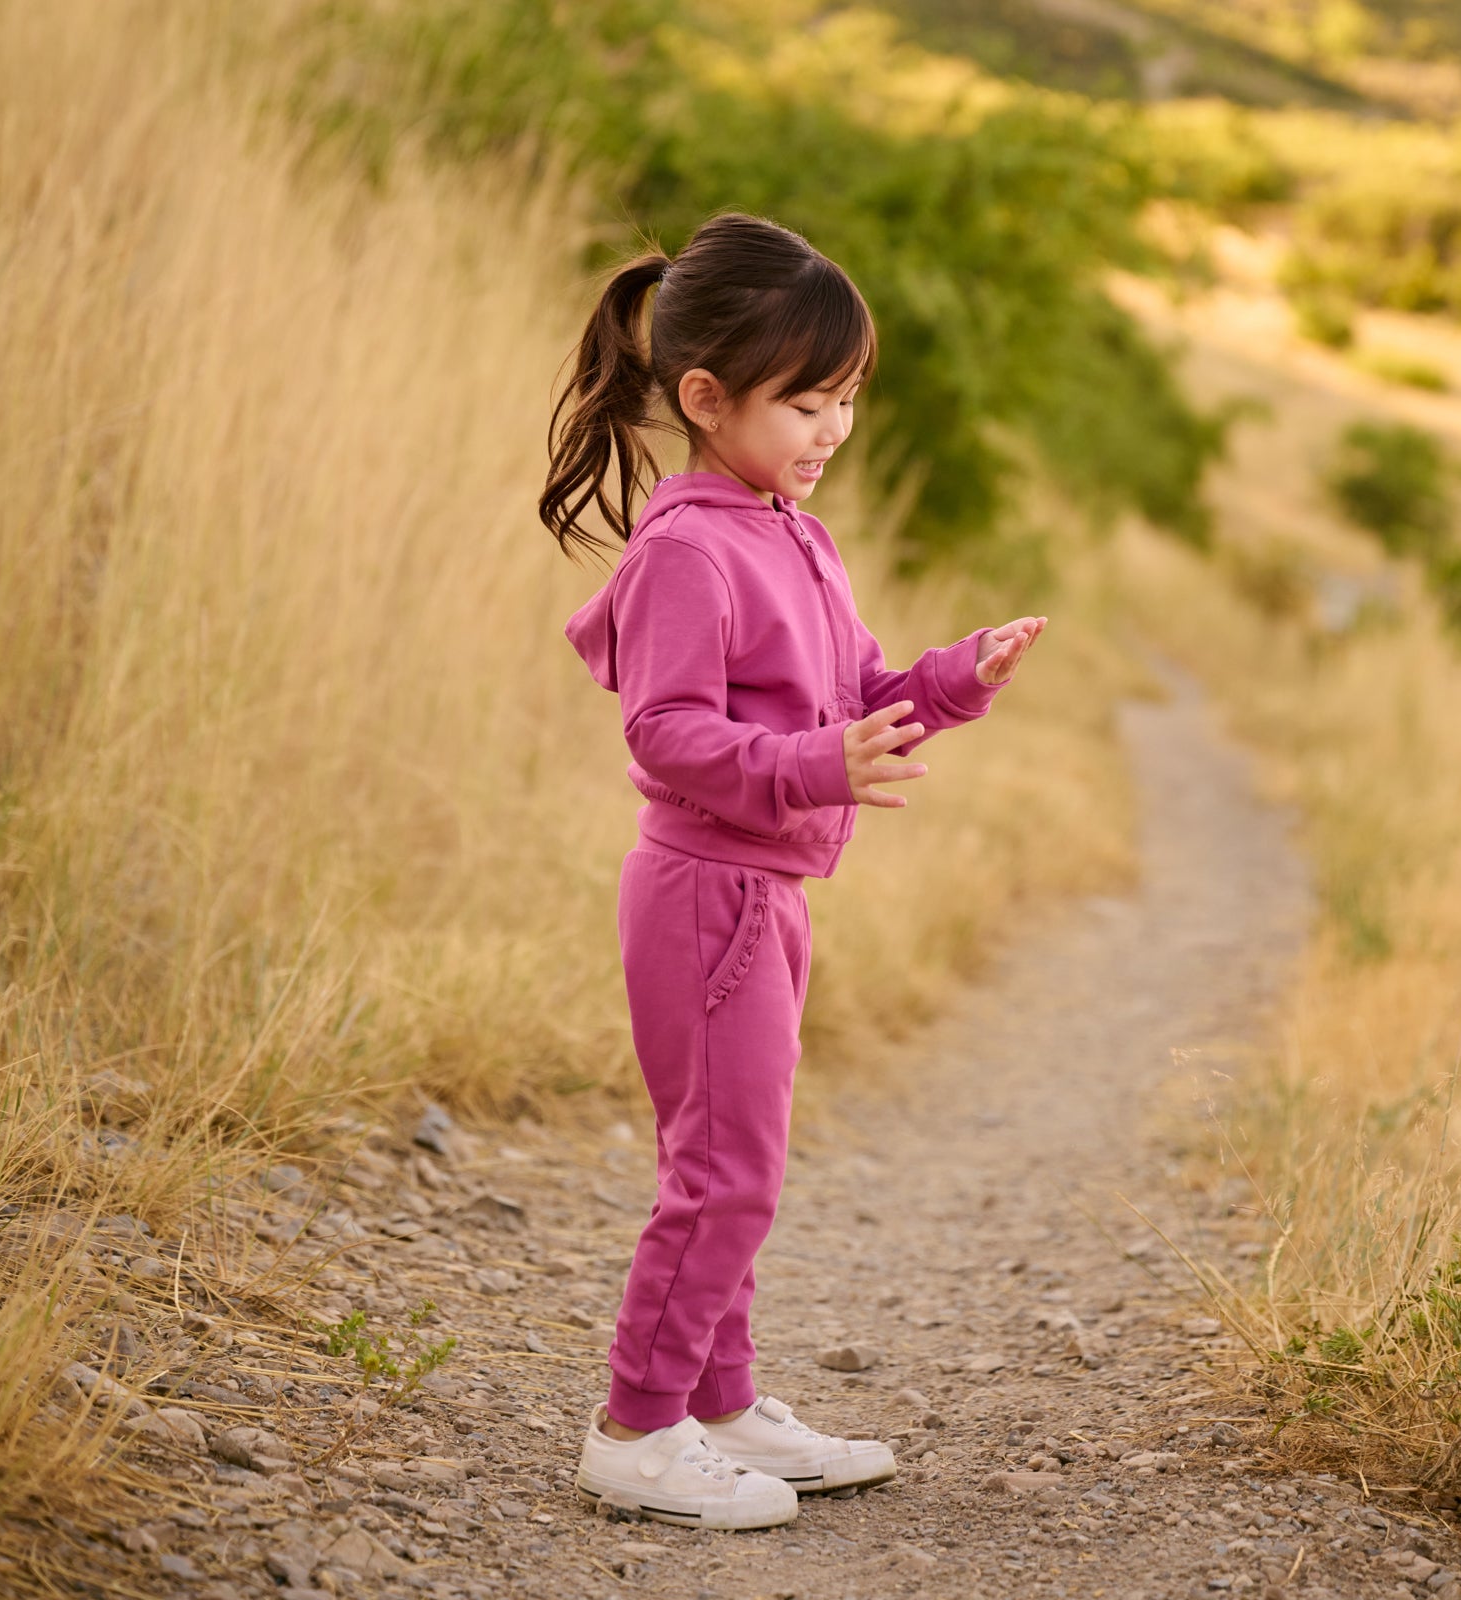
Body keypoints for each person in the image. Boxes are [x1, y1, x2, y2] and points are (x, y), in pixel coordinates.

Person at [541, 212, 1045, 1530]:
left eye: (848, 402)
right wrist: (816, 767)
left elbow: (854, 695)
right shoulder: (689, 550)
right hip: (706, 894)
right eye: (806, 402)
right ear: (705, 398)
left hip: (764, 898)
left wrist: (950, 679)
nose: (832, 431)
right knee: (725, 1169)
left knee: (739, 1152)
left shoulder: (787, 530)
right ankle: (637, 1428)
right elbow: (665, 730)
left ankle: (721, 1402)